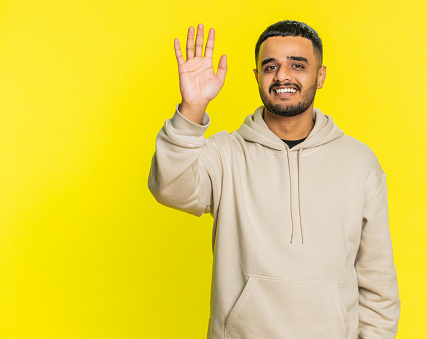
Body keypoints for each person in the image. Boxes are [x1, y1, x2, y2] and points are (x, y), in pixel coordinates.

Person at [148, 20, 400, 339]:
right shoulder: (226, 153)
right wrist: (192, 109)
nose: (282, 75)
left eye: (297, 65)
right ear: (257, 77)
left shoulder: (359, 162)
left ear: (320, 76)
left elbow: (378, 285)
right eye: (271, 66)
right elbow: (170, 188)